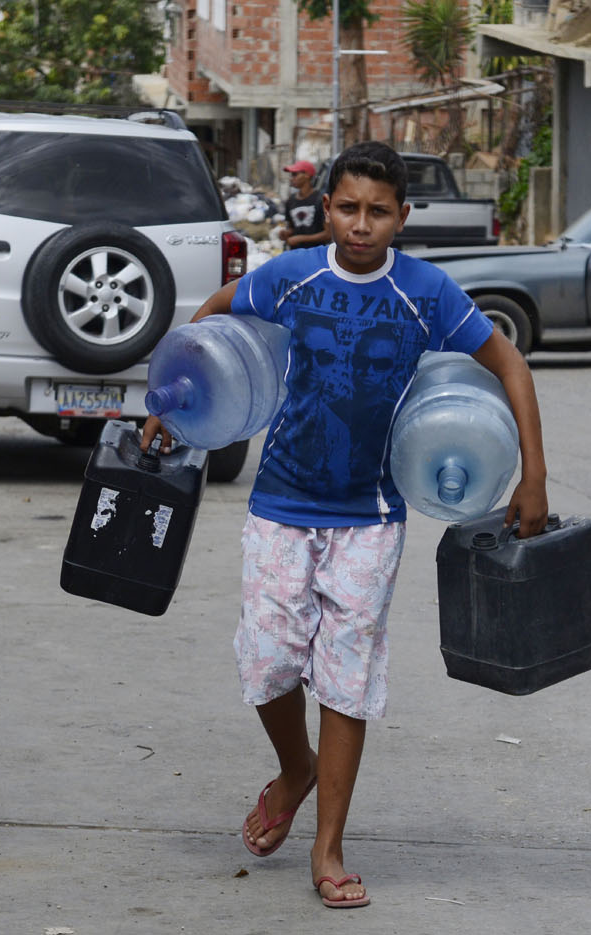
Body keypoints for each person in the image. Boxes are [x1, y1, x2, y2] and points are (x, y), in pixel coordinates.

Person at [142, 141, 548, 910]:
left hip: (371, 515)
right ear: (326, 208)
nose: (361, 225)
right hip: (281, 504)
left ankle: (327, 849)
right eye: (348, 208)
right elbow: (215, 317)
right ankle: (293, 769)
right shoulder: (293, 278)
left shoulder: (425, 293)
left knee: (346, 682)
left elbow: (510, 365)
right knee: (266, 664)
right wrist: (175, 399)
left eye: (378, 211)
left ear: (402, 217)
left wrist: (533, 472)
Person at [281, 159, 330, 250]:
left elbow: (328, 234)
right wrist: (286, 233)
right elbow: (293, 228)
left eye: (295, 174)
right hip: (296, 253)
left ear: (307, 175)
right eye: (291, 175)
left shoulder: (320, 200)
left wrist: (301, 239)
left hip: (317, 253)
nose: (291, 178)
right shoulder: (290, 201)